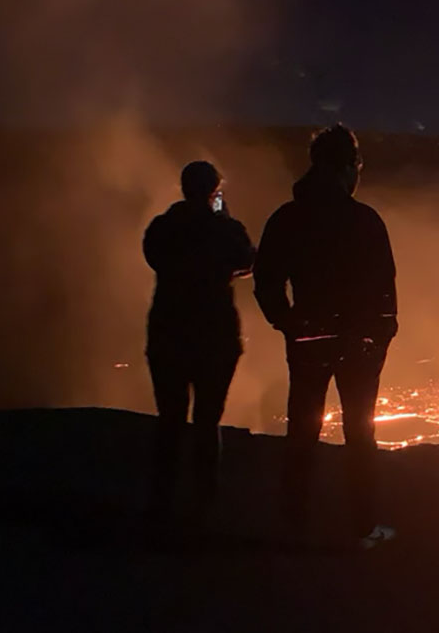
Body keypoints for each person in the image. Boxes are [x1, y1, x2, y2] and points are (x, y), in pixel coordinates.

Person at [253, 124, 398, 550]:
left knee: (302, 432)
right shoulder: (364, 220)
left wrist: (290, 323)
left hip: (309, 343)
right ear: (348, 167)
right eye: (357, 166)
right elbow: (385, 291)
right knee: (360, 435)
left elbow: (266, 280)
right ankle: (362, 527)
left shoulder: (287, 218)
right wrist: (379, 337)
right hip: (357, 348)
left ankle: (293, 525)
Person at [143, 160, 254, 534]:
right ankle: (204, 503)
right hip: (214, 337)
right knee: (207, 421)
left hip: (168, 334)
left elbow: (154, 257)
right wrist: (223, 220)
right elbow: (247, 260)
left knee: (170, 420)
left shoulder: (162, 227)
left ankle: (161, 502)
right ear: (213, 191)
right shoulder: (225, 230)